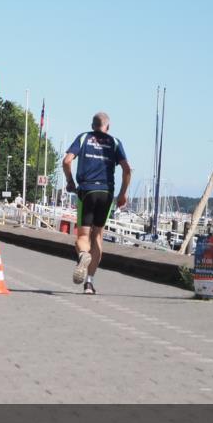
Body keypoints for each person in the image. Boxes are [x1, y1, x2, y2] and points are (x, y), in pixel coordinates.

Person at [62, 112, 131, 295]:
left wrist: (70, 181)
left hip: (87, 191)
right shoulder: (115, 142)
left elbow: (67, 161)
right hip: (106, 192)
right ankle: (89, 283)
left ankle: (84, 255)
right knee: (98, 236)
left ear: (92, 126)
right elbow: (126, 169)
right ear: (107, 127)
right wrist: (122, 194)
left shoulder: (84, 137)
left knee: (83, 237)